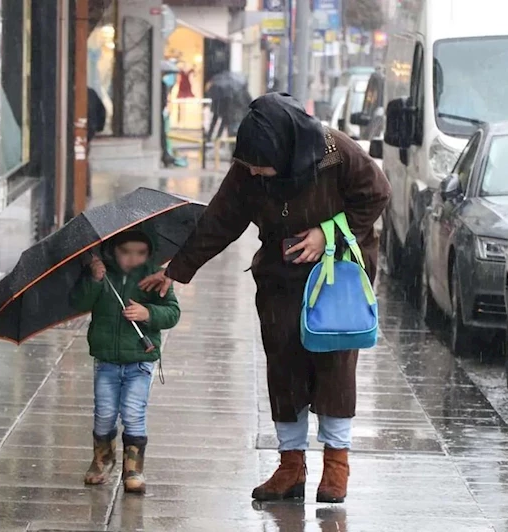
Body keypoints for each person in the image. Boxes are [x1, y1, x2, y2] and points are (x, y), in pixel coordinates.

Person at [139, 93, 390, 503]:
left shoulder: (336, 152)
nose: (254, 171)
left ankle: (336, 464)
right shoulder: (249, 169)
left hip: (337, 273)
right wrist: (177, 269)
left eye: (261, 164)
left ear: (286, 149)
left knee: (335, 364)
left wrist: (326, 232)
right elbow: (220, 220)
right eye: (250, 164)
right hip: (280, 274)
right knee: (283, 363)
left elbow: (377, 194)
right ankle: (291, 466)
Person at [70, 229, 181, 494]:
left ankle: (133, 468)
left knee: (133, 412)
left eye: (140, 253)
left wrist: (147, 313)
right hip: (107, 360)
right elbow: (78, 302)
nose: (133, 258)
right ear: (113, 251)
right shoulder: (102, 275)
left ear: (149, 253)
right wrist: (94, 279)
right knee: (104, 413)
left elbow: (172, 312)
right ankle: (102, 459)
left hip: (139, 361)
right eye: (125, 252)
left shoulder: (155, 277)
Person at [86, 87, 106, 198]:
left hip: (85, 130)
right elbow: (101, 111)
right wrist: (98, 127)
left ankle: (84, 187)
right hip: (88, 130)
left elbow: (101, 110)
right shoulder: (90, 92)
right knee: (84, 158)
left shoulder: (85, 93)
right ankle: (85, 188)